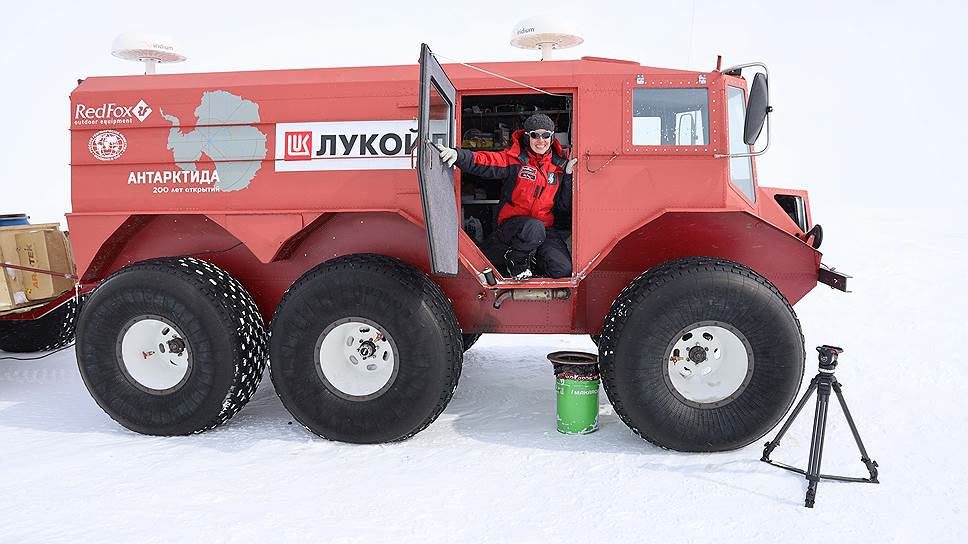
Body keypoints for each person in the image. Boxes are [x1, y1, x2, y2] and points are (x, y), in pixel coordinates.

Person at [434, 114, 577, 279]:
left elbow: (563, 206)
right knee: (533, 228)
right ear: (527, 137)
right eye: (535, 135)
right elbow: (485, 160)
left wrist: (568, 176)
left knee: (562, 269)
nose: (540, 140)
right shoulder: (514, 159)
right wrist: (458, 156)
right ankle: (515, 261)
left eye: (546, 135)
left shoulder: (558, 166)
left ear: (552, 138)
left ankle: (532, 262)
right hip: (512, 227)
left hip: (544, 229)